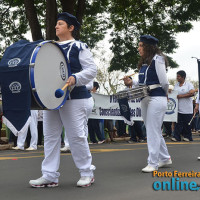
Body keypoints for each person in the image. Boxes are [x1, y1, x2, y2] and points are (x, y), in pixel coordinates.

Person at [29, 12, 96, 188]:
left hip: (75, 98)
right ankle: (49, 175)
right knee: (50, 137)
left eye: (60, 24)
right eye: (56, 24)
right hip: (52, 100)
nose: (56, 26)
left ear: (71, 28)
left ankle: (87, 173)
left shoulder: (79, 46)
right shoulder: (49, 48)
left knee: (76, 137)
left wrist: (76, 77)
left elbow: (91, 70)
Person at [137, 35, 172, 172]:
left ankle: (153, 163)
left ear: (148, 47)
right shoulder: (145, 62)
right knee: (154, 129)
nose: (139, 48)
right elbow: (141, 81)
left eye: (141, 45)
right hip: (145, 98)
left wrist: (163, 94)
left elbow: (164, 82)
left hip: (156, 97)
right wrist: (130, 82)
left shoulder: (158, 59)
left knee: (152, 131)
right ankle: (165, 158)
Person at [171, 70, 195, 142]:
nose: (177, 78)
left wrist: (181, 96)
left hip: (187, 109)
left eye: (178, 76)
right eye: (177, 76)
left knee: (187, 124)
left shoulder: (189, 85)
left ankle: (187, 137)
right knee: (178, 124)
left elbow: (192, 94)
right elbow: (174, 94)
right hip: (178, 108)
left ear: (183, 77)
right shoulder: (176, 85)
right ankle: (176, 137)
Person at [122, 76, 145, 143]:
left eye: (129, 79)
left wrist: (130, 80)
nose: (127, 81)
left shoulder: (136, 86)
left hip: (137, 108)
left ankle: (141, 137)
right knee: (130, 124)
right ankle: (133, 138)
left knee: (138, 123)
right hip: (130, 109)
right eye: (125, 80)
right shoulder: (125, 89)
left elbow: (137, 83)